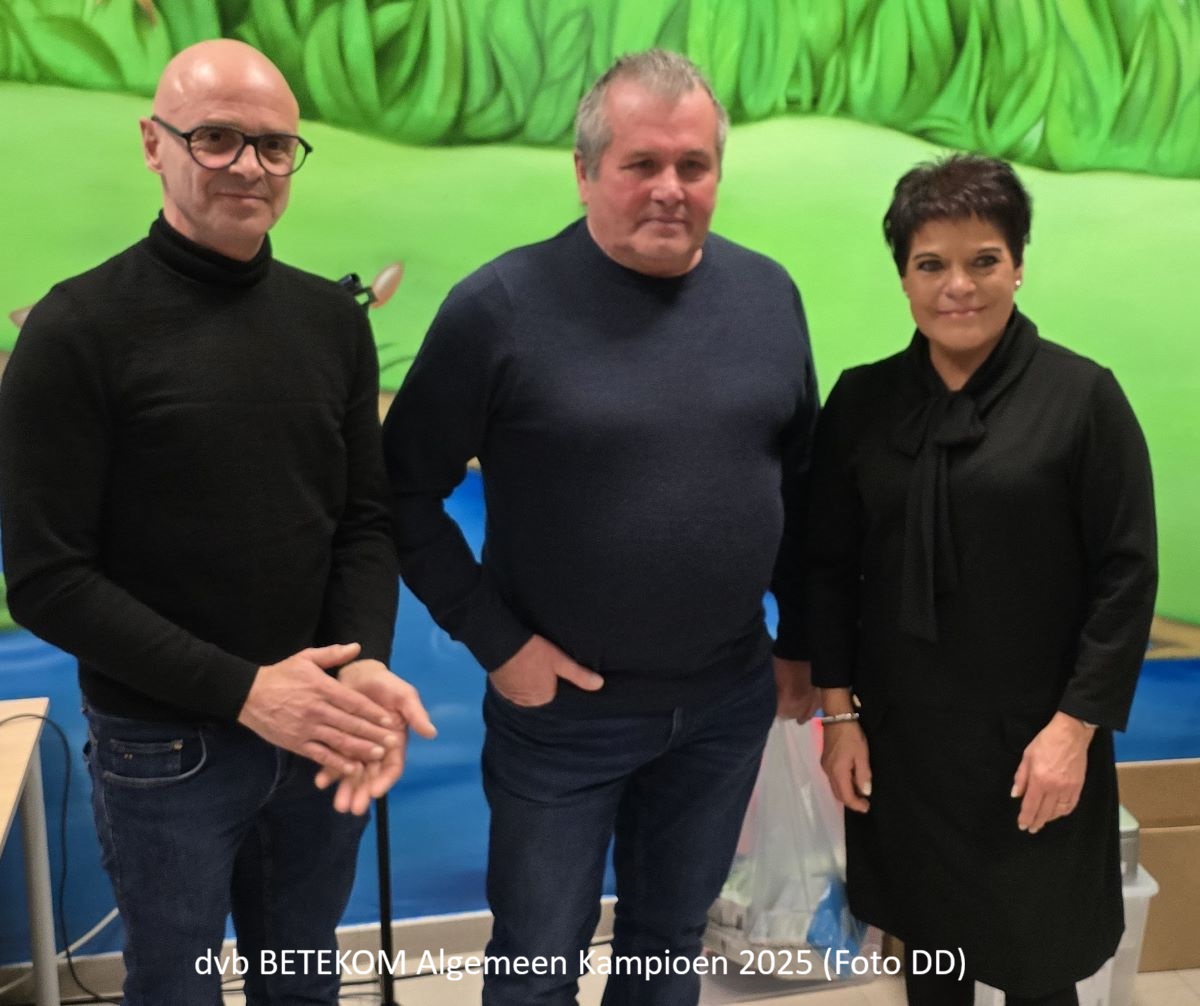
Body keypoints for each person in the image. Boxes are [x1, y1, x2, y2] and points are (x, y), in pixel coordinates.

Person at [0, 39, 434, 1005]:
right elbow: (46, 580)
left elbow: (362, 522)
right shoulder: (75, 332)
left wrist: (362, 663)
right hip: (164, 749)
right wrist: (245, 692)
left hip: (319, 728)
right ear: (153, 144)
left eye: (274, 146)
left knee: (302, 976)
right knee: (176, 988)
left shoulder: (332, 321)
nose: (249, 165)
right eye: (216, 138)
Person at [382, 48, 819, 1006]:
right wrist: (499, 644)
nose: (670, 188)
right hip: (562, 719)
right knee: (538, 957)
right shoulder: (498, 309)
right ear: (584, 172)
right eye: (640, 164)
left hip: (724, 706)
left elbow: (799, 487)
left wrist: (801, 645)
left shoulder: (769, 296)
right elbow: (398, 493)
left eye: (694, 165)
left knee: (669, 944)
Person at [808, 154, 1157, 1006]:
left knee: (1039, 968)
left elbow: (1126, 576)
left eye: (984, 260)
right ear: (903, 276)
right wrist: (839, 718)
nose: (958, 286)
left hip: (1036, 746)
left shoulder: (1081, 398)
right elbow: (827, 569)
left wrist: (1073, 731)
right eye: (931, 264)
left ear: (1019, 264)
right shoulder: (861, 403)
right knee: (932, 963)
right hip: (904, 747)